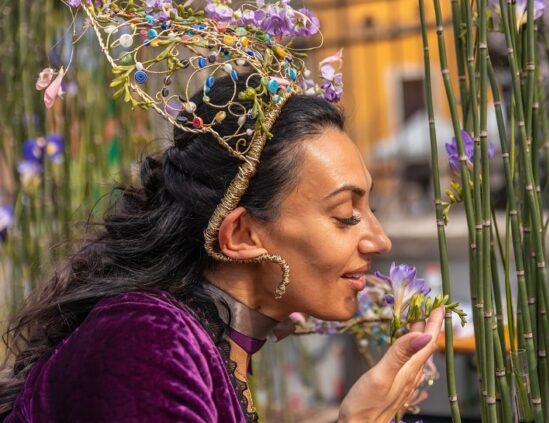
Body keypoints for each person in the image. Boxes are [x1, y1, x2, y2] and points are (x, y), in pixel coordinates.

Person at [0, 69, 444, 421]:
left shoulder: (208, 342)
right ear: (242, 236)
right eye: (346, 214)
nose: (380, 240)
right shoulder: (149, 342)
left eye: (371, 208)